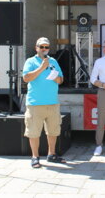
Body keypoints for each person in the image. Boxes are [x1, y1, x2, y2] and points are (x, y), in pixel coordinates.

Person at [23, 37, 65, 168]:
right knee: (34, 131)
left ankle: (51, 154)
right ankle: (35, 157)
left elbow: (61, 80)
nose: (44, 49)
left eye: (46, 47)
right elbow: (26, 78)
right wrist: (42, 68)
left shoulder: (53, 61)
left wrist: (56, 77)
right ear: (36, 48)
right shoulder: (30, 61)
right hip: (35, 103)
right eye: (42, 47)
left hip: (52, 102)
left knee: (53, 130)